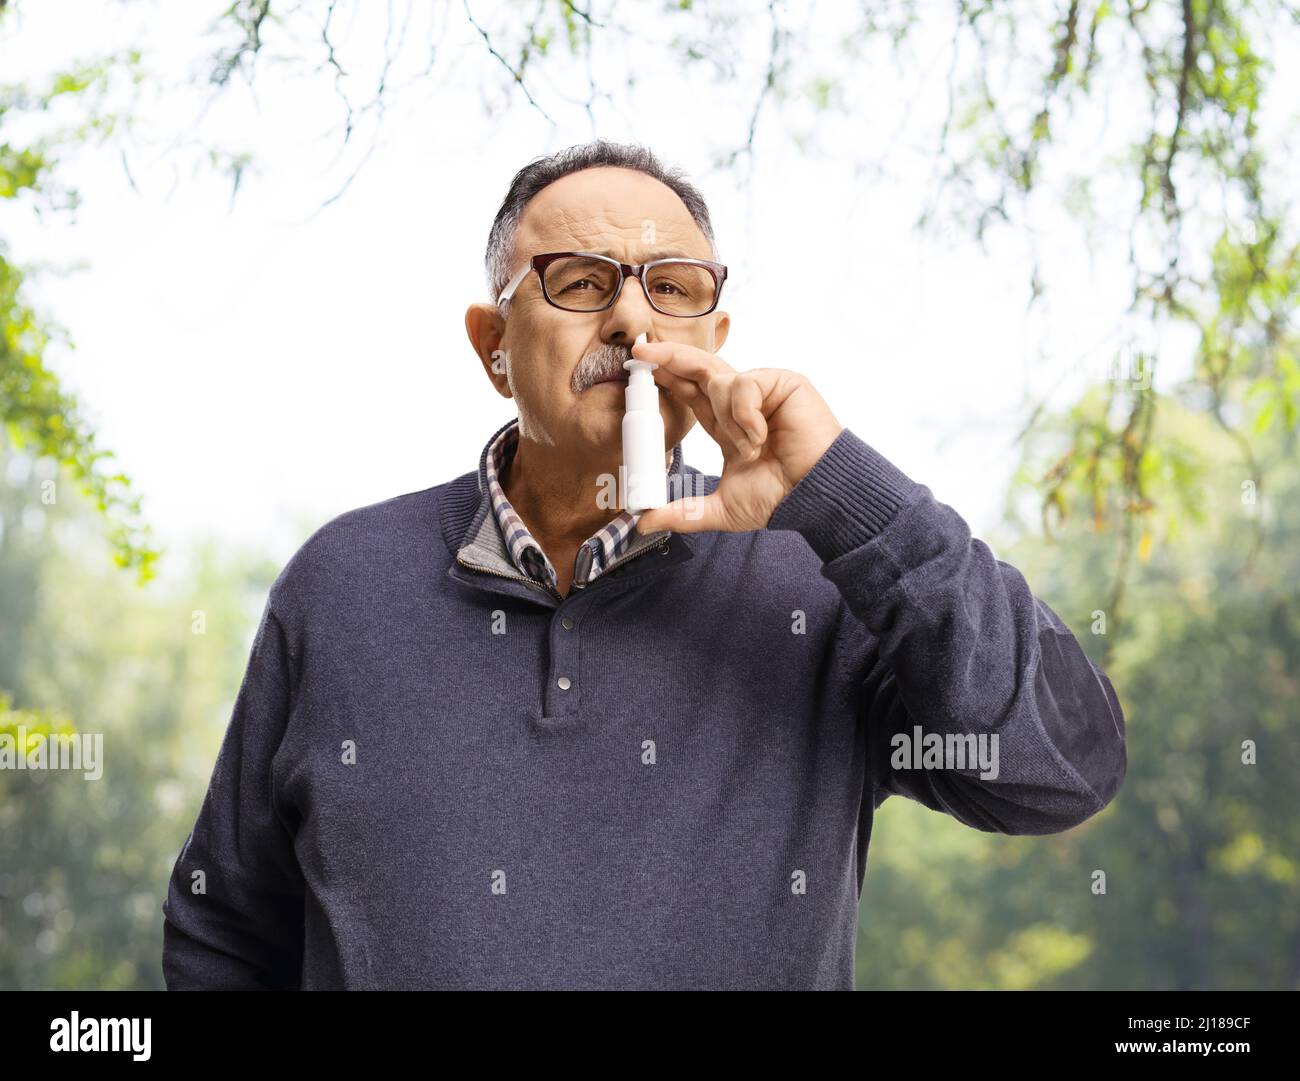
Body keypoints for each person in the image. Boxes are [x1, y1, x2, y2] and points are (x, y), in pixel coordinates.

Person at [162, 139, 1126, 990]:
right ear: (493, 345)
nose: (632, 323)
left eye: (672, 288)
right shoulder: (344, 585)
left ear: (714, 339)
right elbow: (225, 927)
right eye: (580, 281)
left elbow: (1061, 769)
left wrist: (846, 492)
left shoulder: (816, 584)